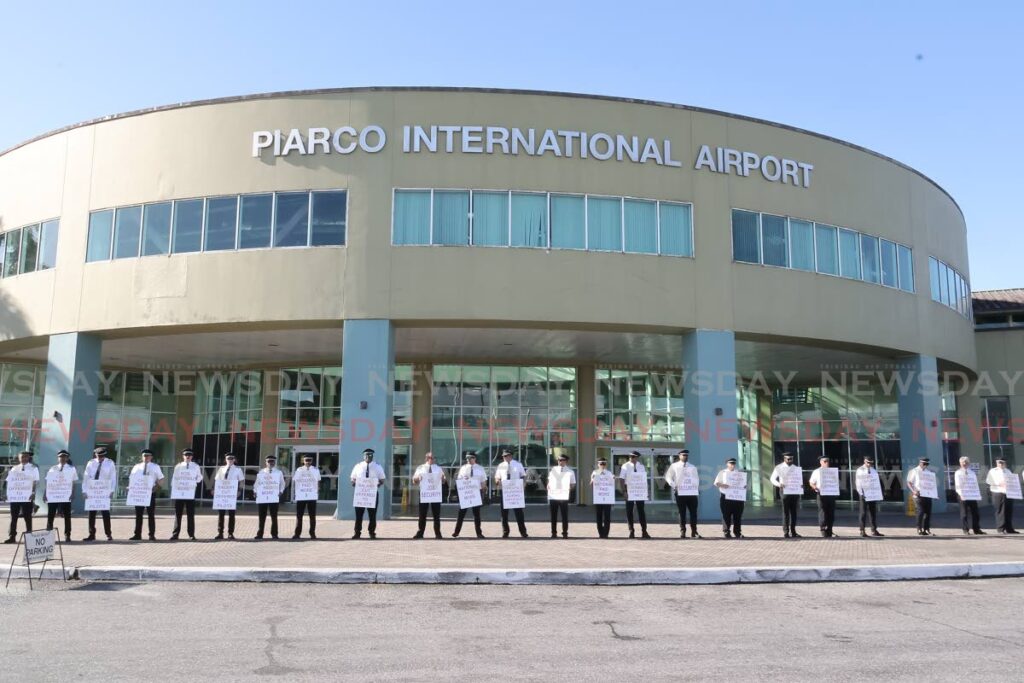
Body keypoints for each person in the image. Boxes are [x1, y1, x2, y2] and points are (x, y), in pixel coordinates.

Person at [82, 446, 116, 541]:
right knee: (91, 514)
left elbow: (113, 478)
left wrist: (111, 490)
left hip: (104, 491)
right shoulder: (91, 463)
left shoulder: (110, 463)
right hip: (92, 490)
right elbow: (86, 477)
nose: (100, 458)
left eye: (102, 456)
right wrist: (84, 491)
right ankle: (91, 534)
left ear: (104, 455)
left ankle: (108, 534)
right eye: (98, 456)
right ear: (95, 455)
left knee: (105, 513)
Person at [350, 448, 386, 539]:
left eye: (370, 455)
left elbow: (382, 479)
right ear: (363, 456)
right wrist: (354, 482)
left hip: (372, 494)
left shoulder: (378, 466)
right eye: (366, 455)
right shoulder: (358, 466)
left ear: (372, 456)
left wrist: (377, 484)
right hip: (360, 494)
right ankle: (357, 532)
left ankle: (372, 532)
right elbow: (353, 478)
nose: (368, 457)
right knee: (358, 515)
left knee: (372, 514)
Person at [129, 449, 164, 541]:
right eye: (144, 455)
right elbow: (132, 478)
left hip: (150, 493)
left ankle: (151, 535)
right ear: (142, 456)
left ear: (151, 457)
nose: (146, 457)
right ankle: (137, 534)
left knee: (151, 515)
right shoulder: (136, 467)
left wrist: (155, 488)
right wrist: (131, 488)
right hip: (139, 493)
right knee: (138, 515)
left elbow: (161, 479)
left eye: (148, 456)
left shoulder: (155, 467)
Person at [664, 449, 700, 538]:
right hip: (680, 492)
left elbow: (696, 479)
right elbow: (668, 477)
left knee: (693, 513)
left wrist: (695, 487)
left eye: (686, 455)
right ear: (679, 456)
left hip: (691, 493)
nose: (685, 457)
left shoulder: (692, 467)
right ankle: (683, 531)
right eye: (683, 455)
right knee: (682, 512)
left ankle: (694, 531)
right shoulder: (674, 466)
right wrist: (673, 485)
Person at [4, 450, 39, 543]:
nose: (24, 458)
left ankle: (29, 536)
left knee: (27, 517)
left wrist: (33, 492)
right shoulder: (14, 468)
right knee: (13, 517)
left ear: (29, 458)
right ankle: (12, 536)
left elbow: (35, 482)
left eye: (26, 457)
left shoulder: (33, 468)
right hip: (15, 497)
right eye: (22, 457)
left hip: (27, 496)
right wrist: (8, 494)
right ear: (19, 458)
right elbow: (10, 482)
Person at [494, 449, 528, 538]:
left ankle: (523, 531)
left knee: (519, 513)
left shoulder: (518, 464)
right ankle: (505, 531)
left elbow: (523, 475)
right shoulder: (500, 466)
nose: (505, 457)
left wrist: (523, 484)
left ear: (511, 456)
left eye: (507, 456)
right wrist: (498, 481)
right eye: (504, 456)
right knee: (504, 513)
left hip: (515, 491)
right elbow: (497, 477)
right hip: (505, 490)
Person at [45, 450, 77, 542]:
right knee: (50, 515)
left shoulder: (72, 468)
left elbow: (74, 482)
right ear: (58, 458)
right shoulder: (53, 468)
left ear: (67, 458)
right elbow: (48, 482)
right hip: (53, 495)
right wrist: (45, 494)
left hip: (65, 495)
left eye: (64, 457)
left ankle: (67, 535)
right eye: (60, 457)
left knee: (67, 516)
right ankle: (49, 534)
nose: (62, 458)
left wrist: (73, 493)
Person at [412, 452, 446, 539]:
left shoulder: (438, 468)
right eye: (431, 458)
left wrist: (443, 478)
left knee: (436, 515)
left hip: (435, 494)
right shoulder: (421, 468)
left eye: (434, 458)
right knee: (422, 514)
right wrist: (418, 478)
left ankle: (438, 533)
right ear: (427, 458)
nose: (433, 459)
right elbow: (414, 480)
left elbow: (443, 480)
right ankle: (420, 533)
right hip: (425, 494)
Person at [170, 448, 201, 540]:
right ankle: (175, 534)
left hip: (189, 493)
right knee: (178, 514)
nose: (188, 457)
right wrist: (174, 491)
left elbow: (199, 478)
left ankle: (191, 534)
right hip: (179, 493)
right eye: (186, 455)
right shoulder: (178, 466)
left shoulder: (195, 466)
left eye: (189, 455)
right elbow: (174, 479)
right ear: (183, 456)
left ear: (192, 456)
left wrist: (193, 480)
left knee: (190, 514)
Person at [453, 452, 486, 538]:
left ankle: (479, 533)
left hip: (476, 492)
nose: (468, 460)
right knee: (461, 513)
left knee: (476, 514)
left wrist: (483, 491)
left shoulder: (480, 468)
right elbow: (459, 480)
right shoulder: (463, 468)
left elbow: (483, 481)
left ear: (474, 458)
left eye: (470, 458)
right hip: (466, 492)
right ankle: (456, 532)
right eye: (467, 458)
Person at [619, 451, 651, 539]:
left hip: (639, 490)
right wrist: (624, 491)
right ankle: (631, 531)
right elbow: (621, 479)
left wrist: (646, 491)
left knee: (641, 511)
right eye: (630, 457)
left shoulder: (641, 466)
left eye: (634, 457)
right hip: (629, 489)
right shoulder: (625, 466)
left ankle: (644, 531)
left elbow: (644, 480)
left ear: (637, 458)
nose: (632, 458)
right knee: (629, 511)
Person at [770, 452, 802, 538]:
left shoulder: (795, 468)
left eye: (791, 459)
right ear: (784, 459)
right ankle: (786, 532)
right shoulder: (779, 467)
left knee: (794, 512)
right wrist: (778, 484)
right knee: (785, 512)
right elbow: (772, 479)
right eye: (788, 459)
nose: (789, 461)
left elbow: (798, 480)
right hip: (784, 491)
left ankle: (793, 531)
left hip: (794, 492)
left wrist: (800, 485)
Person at [215, 453, 245, 540]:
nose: (230, 460)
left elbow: (242, 481)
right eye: (228, 458)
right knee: (221, 514)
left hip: (232, 495)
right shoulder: (221, 469)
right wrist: (215, 490)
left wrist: (239, 491)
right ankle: (220, 533)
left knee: (231, 515)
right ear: (225, 459)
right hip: (222, 495)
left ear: (234, 460)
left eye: (232, 458)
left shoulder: (238, 470)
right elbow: (217, 480)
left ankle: (230, 533)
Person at [256, 455, 286, 539]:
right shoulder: (261, 472)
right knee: (262, 516)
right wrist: (255, 491)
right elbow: (257, 483)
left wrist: (281, 491)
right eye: (269, 461)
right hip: (263, 496)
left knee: (274, 516)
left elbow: (282, 483)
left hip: (273, 497)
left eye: (272, 461)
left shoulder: (278, 472)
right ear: (266, 462)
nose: (270, 463)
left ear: (274, 462)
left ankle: (274, 534)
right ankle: (260, 534)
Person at [292, 454, 322, 540]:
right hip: (301, 496)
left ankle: (312, 533)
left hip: (311, 496)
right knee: (299, 515)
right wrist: (296, 492)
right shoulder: (299, 470)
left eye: (309, 460)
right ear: (303, 461)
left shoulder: (316, 470)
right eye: (306, 460)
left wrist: (317, 490)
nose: (308, 462)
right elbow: (295, 481)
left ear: (312, 461)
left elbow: (318, 481)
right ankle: (297, 534)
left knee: (312, 516)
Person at [986, 458, 1019, 534]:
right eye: (998, 463)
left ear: (1005, 463)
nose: (1000, 464)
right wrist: (998, 483)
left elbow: (1012, 480)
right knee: (1000, 511)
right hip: (998, 492)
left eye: (1002, 463)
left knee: (1008, 511)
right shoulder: (993, 471)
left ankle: (1009, 529)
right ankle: (1000, 529)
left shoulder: (1007, 471)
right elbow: (988, 481)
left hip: (1008, 493)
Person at [954, 456, 985, 535]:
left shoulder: (972, 472)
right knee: (964, 513)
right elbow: (958, 484)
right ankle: (965, 529)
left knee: (976, 513)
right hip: (963, 495)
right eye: (963, 462)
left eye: (966, 462)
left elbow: (975, 484)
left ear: (969, 463)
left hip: (972, 495)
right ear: (960, 463)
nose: (965, 464)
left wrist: (977, 494)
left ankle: (976, 529)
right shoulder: (958, 473)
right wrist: (961, 494)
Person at [546, 454, 576, 538]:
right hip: (554, 496)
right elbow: (549, 481)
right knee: (553, 515)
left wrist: (569, 488)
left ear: (566, 461)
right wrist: (548, 485)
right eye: (559, 460)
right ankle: (553, 533)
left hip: (563, 496)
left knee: (564, 516)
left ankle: (565, 533)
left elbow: (573, 484)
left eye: (562, 460)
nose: (560, 462)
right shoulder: (553, 470)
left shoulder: (570, 471)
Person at [808, 455, 838, 537]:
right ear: (821, 462)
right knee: (823, 511)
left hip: (831, 494)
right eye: (825, 461)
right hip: (821, 494)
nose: (827, 463)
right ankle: (823, 528)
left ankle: (830, 529)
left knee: (831, 512)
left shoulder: (832, 471)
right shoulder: (817, 471)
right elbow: (811, 482)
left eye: (828, 461)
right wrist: (815, 487)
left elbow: (835, 482)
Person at [713, 458, 744, 538]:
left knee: (737, 516)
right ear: (727, 464)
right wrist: (723, 485)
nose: (732, 465)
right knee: (726, 515)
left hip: (737, 497)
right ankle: (726, 532)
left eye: (733, 463)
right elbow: (716, 483)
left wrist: (744, 486)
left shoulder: (739, 473)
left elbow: (743, 484)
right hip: (726, 497)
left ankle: (737, 532)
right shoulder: (722, 472)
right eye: (730, 463)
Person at [855, 456, 884, 537]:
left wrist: (877, 493)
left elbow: (876, 483)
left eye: (871, 463)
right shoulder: (860, 470)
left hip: (872, 494)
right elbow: (858, 483)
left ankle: (874, 530)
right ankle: (862, 530)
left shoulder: (873, 470)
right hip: (864, 494)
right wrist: (861, 493)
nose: (869, 464)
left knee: (872, 512)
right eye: (868, 462)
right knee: (863, 512)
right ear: (864, 461)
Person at [906, 457, 936, 536]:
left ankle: (926, 529)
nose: (925, 465)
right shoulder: (914, 471)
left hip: (927, 494)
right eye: (924, 464)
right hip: (918, 494)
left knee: (928, 513)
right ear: (920, 463)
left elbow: (931, 484)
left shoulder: (928, 472)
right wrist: (913, 491)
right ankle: (919, 528)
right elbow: (909, 482)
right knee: (920, 511)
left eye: (927, 464)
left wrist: (934, 494)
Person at [591, 458, 615, 538]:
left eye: (604, 464)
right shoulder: (595, 472)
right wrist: (593, 480)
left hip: (607, 498)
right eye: (601, 464)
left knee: (607, 516)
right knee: (599, 516)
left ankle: (606, 533)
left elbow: (612, 484)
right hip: (598, 498)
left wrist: (613, 479)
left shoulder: (609, 473)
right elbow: (591, 484)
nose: (602, 465)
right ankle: (600, 533)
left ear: (606, 464)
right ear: (598, 464)